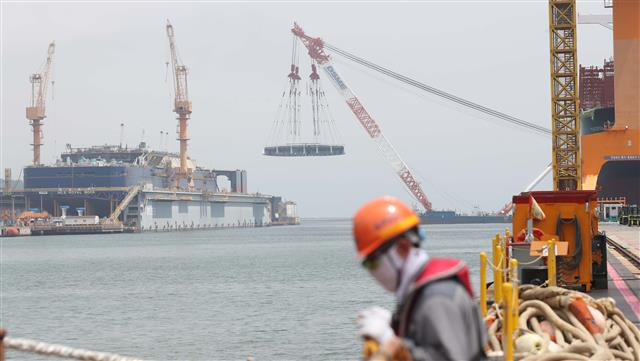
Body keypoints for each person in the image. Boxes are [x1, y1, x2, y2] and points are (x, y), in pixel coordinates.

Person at [353, 196, 487, 361]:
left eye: (373, 263)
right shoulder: (424, 292)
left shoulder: (437, 299)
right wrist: (394, 327)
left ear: (402, 247)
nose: (372, 272)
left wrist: (392, 343)